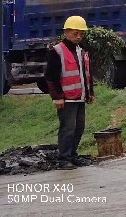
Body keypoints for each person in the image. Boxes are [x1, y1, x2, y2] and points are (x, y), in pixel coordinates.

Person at [44, 16, 95, 170]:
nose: (78, 36)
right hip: (66, 99)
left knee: (79, 127)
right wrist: (57, 97)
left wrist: (89, 92)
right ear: (66, 32)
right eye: (75, 33)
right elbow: (51, 77)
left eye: (81, 34)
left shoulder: (82, 51)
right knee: (68, 128)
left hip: (79, 97)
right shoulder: (57, 51)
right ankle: (63, 158)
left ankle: (72, 155)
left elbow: (86, 73)